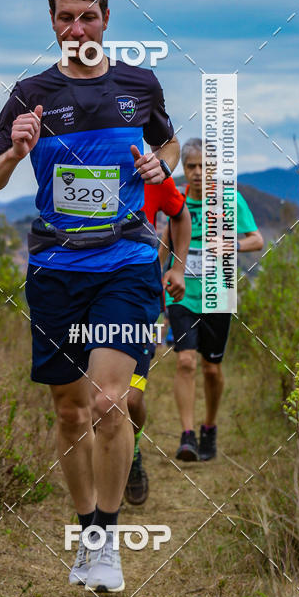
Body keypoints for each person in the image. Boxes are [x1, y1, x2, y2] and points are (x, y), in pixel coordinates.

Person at [0, 0, 180, 593]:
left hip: (126, 263)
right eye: (66, 17)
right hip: (56, 269)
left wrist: (155, 165)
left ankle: (108, 544)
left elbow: (168, 147)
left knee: (110, 403)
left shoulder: (139, 85)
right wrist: (14, 151)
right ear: (53, 22)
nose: (77, 27)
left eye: (88, 15)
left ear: (106, 19)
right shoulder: (31, 94)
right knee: (69, 413)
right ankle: (87, 533)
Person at [165, 138, 264, 462]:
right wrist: (157, 282)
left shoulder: (230, 200)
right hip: (181, 295)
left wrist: (230, 244)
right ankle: (187, 435)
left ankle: (209, 426)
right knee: (185, 361)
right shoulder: (175, 199)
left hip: (218, 296)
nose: (197, 172)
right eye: (191, 166)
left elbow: (257, 240)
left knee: (211, 369)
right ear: (184, 168)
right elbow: (164, 245)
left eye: (204, 167)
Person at [124, 179, 191, 505]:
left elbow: (180, 215)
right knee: (94, 403)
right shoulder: (74, 153)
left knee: (131, 400)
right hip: (83, 294)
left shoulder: (150, 172)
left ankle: (132, 449)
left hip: (137, 298)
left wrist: (177, 269)